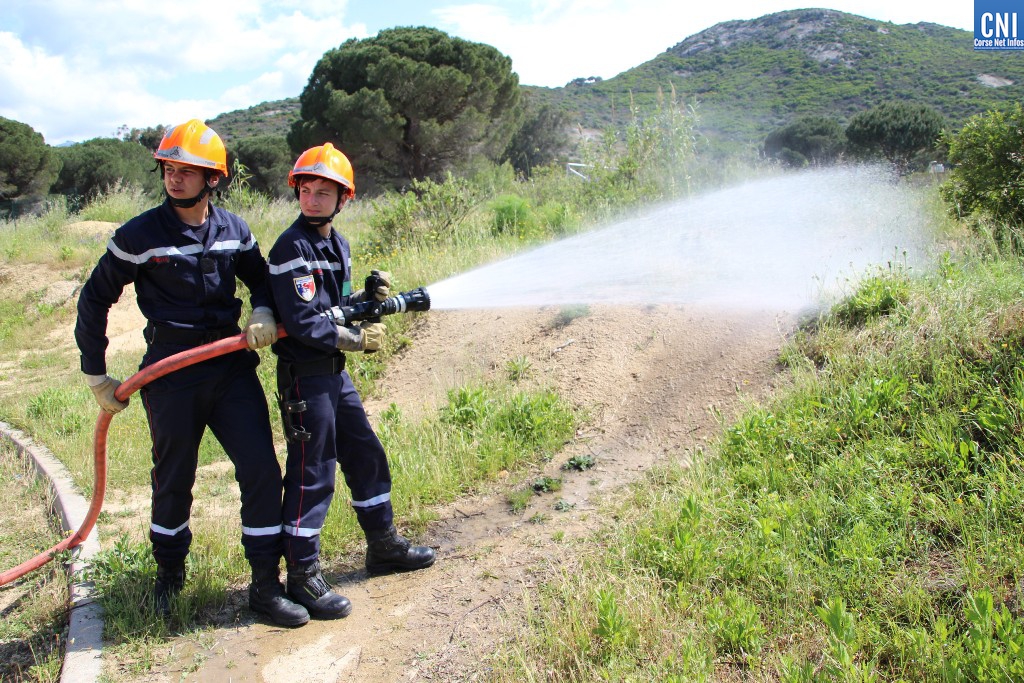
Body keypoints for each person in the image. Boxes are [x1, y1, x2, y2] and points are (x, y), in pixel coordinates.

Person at [74, 119, 308, 627]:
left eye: (186, 171)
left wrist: (262, 310)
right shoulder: (138, 235)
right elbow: (94, 299)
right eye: (168, 169)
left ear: (213, 178)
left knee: (261, 470)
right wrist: (96, 374)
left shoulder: (235, 230)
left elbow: (262, 280)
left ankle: (265, 585)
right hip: (171, 371)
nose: (174, 178)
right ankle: (169, 576)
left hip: (229, 368)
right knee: (173, 478)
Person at [265, 142, 435, 620]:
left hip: (333, 375)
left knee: (365, 452)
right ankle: (302, 575)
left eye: (324, 192)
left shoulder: (337, 245)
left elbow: (331, 305)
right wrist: (357, 340)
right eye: (306, 190)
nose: (312, 199)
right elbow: (303, 321)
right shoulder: (291, 247)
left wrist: (364, 297)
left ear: (344, 199)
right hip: (305, 377)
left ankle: (382, 545)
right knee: (313, 470)